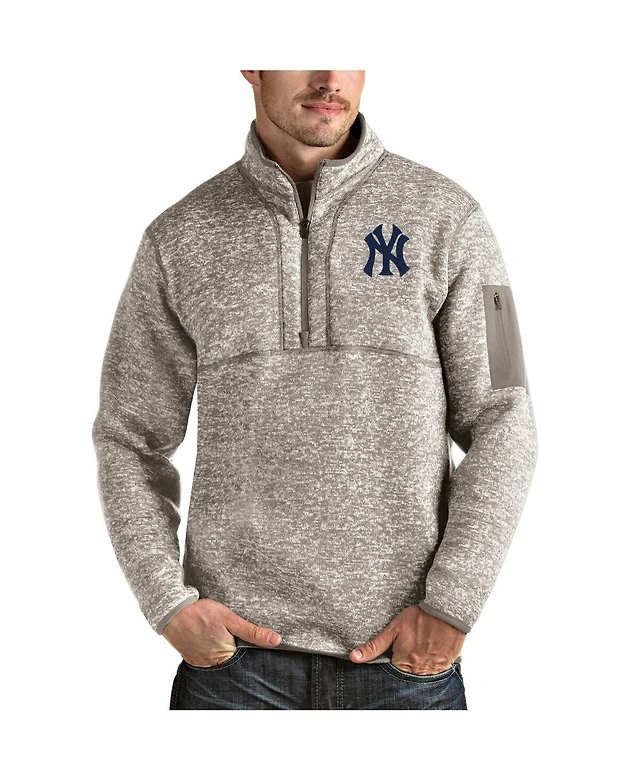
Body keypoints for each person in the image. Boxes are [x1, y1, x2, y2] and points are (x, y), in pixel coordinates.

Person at [92, 70, 538, 710]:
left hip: (406, 668)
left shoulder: (452, 218)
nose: (330, 78)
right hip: (234, 675)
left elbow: (507, 417)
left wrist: (452, 605)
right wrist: (166, 602)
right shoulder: (179, 237)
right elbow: (128, 437)